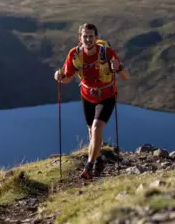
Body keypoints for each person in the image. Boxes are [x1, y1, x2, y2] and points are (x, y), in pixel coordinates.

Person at [54, 23, 130, 179]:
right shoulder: (74, 54)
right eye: (85, 36)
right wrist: (60, 78)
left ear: (96, 37)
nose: (88, 39)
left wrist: (119, 68)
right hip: (87, 96)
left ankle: (88, 166)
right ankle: (97, 161)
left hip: (107, 95)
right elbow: (68, 78)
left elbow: (125, 76)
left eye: (91, 36)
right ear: (80, 38)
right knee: (92, 131)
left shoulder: (107, 52)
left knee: (96, 128)